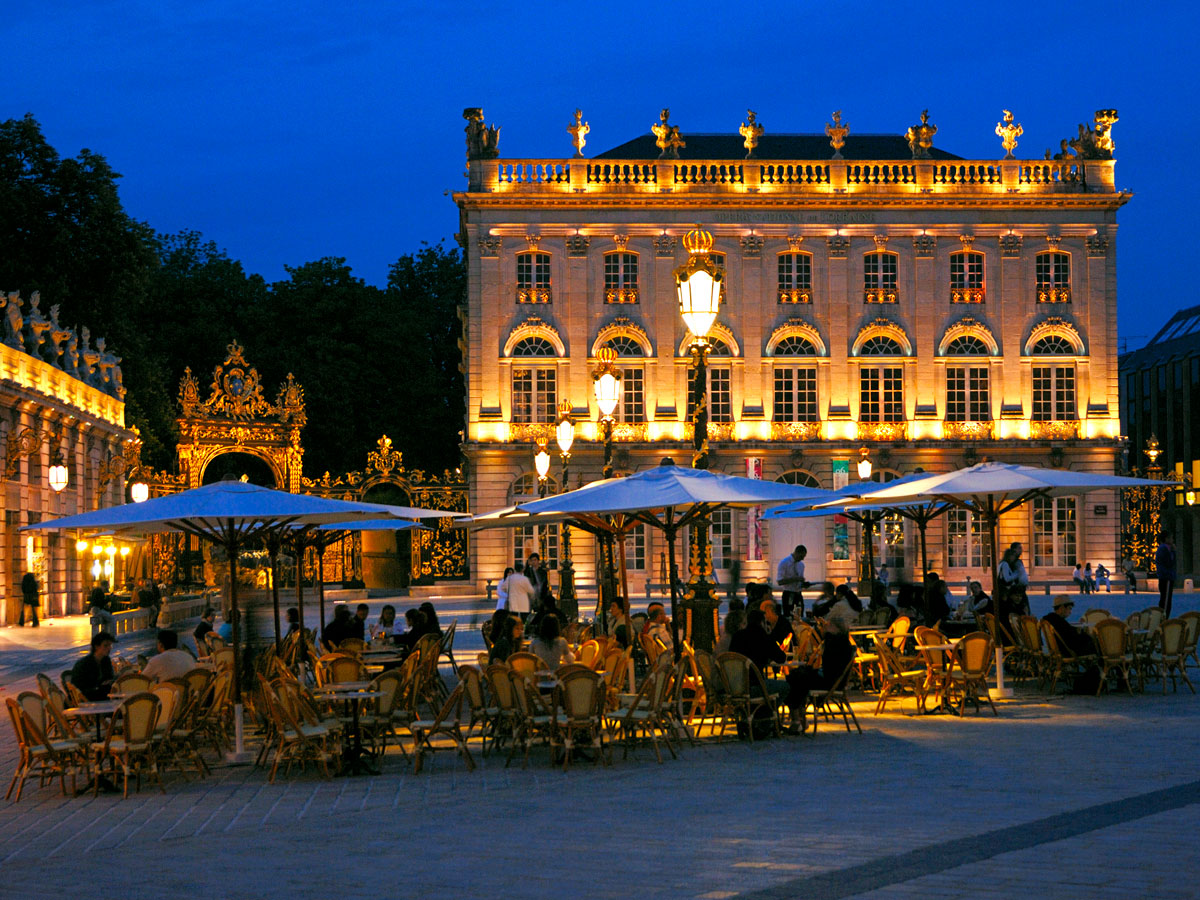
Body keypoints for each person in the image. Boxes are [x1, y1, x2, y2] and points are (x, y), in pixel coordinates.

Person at [785, 618, 855, 731]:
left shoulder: (834, 643)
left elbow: (829, 667)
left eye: (829, 625)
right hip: (833, 679)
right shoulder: (841, 642)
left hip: (830, 682)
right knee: (797, 676)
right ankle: (799, 718)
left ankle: (797, 719)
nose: (825, 627)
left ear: (836, 629)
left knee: (796, 678)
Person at [1042, 595, 1100, 693]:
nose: (1070, 612)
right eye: (1069, 609)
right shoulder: (1059, 622)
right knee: (1102, 647)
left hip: (1061, 649)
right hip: (1069, 651)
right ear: (1061, 608)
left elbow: (1068, 633)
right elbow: (1072, 638)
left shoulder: (1052, 620)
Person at [71, 632, 116, 701]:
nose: (109, 648)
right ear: (96, 647)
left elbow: (109, 678)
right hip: (85, 698)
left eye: (110, 645)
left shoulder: (106, 661)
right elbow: (80, 686)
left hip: (101, 694)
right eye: (105, 646)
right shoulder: (84, 664)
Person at [776, 545, 808, 619]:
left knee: (799, 617)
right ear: (796, 552)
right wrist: (795, 579)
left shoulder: (801, 565)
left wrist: (803, 584)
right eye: (801, 556)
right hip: (788, 593)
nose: (802, 559)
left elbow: (799, 580)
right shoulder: (784, 563)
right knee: (788, 616)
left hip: (798, 594)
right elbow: (780, 581)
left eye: (804, 557)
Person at [997, 544, 1030, 617]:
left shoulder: (1003, 564)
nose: (1013, 558)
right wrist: (1017, 574)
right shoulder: (1005, 564)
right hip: (1006, 590)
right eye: (1013, 556)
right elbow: (1007, 578)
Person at [1155, 533, 1176, 618]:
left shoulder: (1163, 548)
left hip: (1165, 575)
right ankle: (1164, 618)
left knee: (1165, 598)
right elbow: (1170, 562)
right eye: (1171, 538)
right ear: (1166, 539)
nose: (1172, 540)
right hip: (1166, 576)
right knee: (1166, 600)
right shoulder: (1164, 548)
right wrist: (1173, 551)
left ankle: (1163, 617)